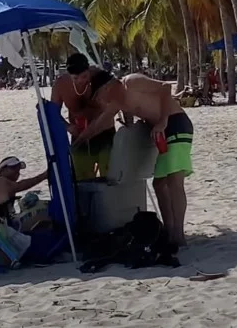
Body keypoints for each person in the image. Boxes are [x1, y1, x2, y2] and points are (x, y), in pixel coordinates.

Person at [73, 70, 193, 246]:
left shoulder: (131, 82)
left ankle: (178, 234)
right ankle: (169, 230)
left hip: (175, 124)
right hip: (159, 133)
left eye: (100, 94)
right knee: (159, 184)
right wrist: (81, 139)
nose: (100, 100)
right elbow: (101, 122)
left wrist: (163, 121)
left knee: (174, 181)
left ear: (108, 86)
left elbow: (165, 88)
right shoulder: (117, 102)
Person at [51, 53, 116, 181]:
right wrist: (68, 127)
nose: (81, 80)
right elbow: (53, 112)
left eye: (85, 76)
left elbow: (118, 102)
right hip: (79, 136)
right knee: (83, 181)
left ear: (89, 69)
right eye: (75, 78)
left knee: (110, 177)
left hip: (104, 134)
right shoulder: (61, 84)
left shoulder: (101, 77)